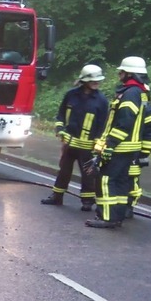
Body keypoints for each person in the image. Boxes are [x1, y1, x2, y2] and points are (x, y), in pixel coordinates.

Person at [87, 56, 151, 229]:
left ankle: (107, 218)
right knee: (122, 182)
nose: (119, 74)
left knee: (106, 180)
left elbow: (124, 122)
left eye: (121, 71)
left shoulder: (131, 93)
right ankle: (117, 216)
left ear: (129, 73)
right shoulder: (141, 93)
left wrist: (110, 144)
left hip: (121, 147)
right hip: (130, 148)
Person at [40, 64, 109, 210]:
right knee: (63, 171)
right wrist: (60, 128)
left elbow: (104, 125)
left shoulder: (102, 101)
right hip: (69, 144)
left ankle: (87, 201)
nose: (97, 82)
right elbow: (61, 114)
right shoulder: (71, 95)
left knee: (88, 175)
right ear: (84, 80)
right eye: (93, 80)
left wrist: (99, 143)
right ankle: (57, 196)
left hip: (88, 146)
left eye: (98, 80)